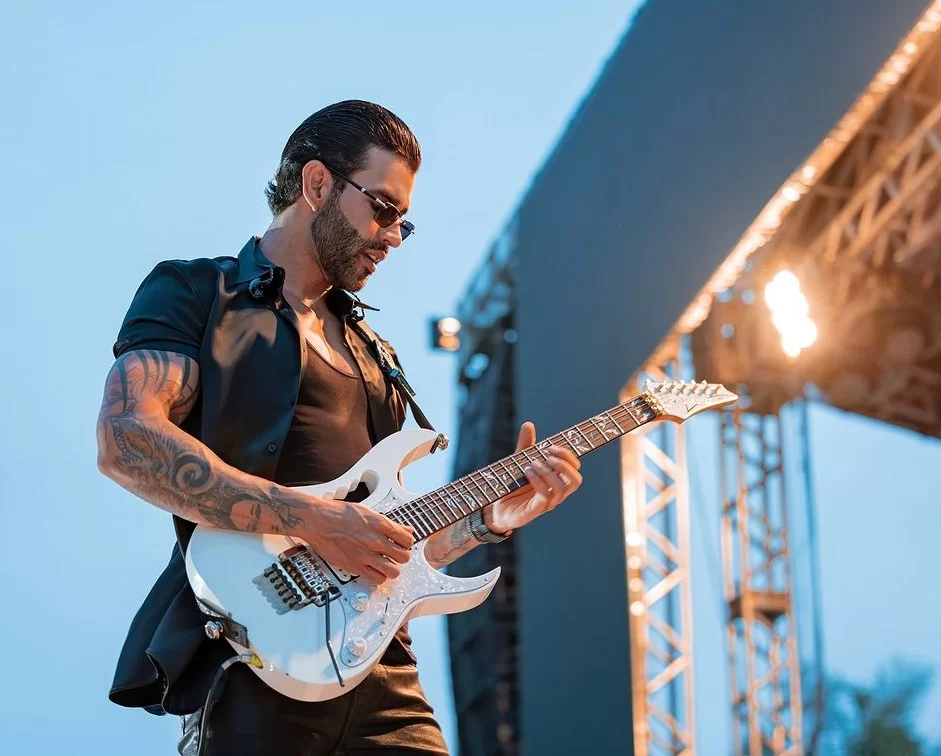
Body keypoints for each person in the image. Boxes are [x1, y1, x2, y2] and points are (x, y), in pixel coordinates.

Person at [95, 99, 584, 755]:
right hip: (255, 667)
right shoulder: (199, 294)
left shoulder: (377, 359)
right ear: (317, 183)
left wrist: (489, 518)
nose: (390, 236)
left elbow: (395, 549)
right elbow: (127, 440)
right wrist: (312, 520)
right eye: (382, 208)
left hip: (387, 689)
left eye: (404, 224)